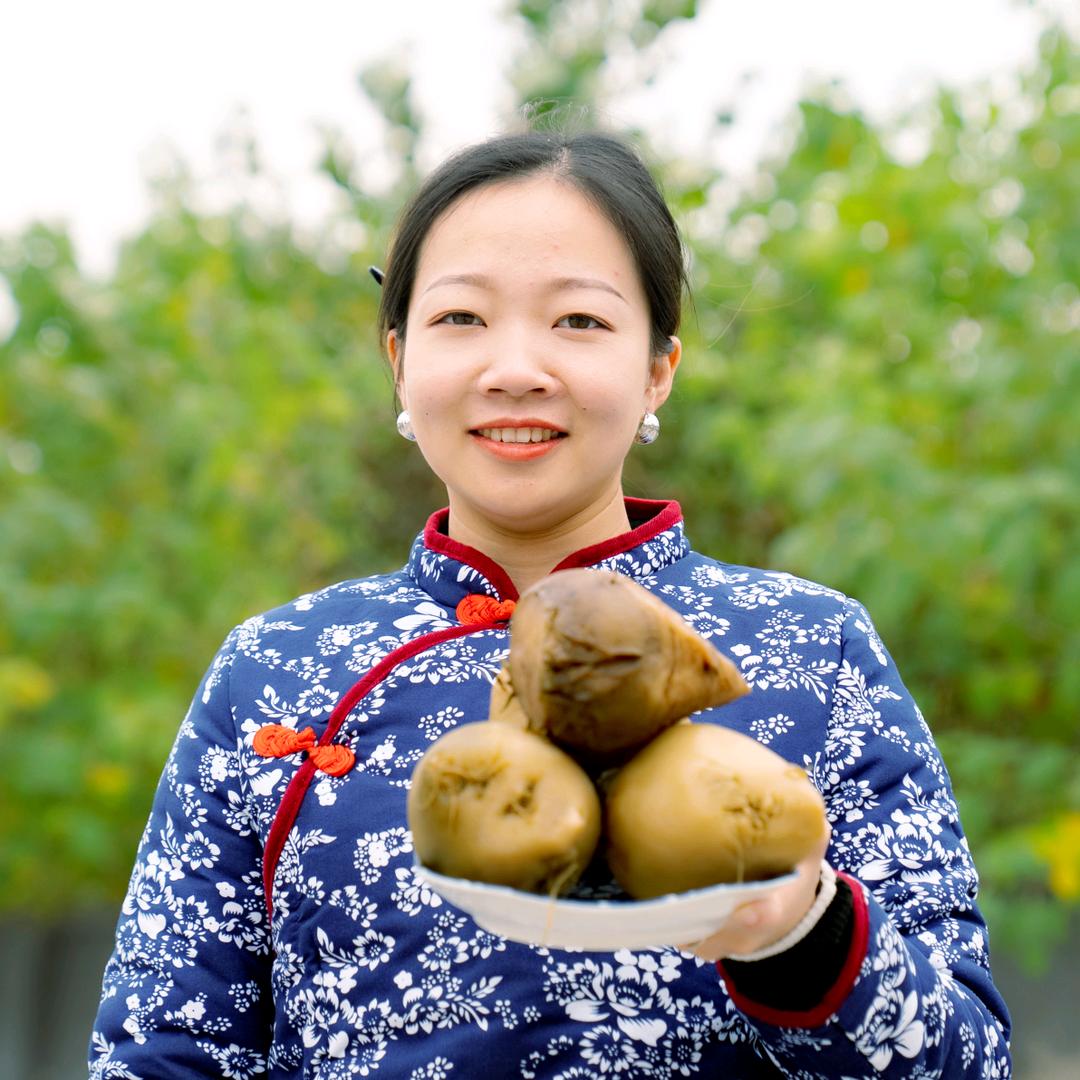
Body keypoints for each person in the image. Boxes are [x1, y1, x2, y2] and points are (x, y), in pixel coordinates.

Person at [90, 129, 1012, 1079]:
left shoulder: (812, 649)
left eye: (578, 321)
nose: (516, 367)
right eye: (462, 319)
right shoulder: (277, 667)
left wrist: (805, 932)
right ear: (399, 360)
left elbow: (967, 1061)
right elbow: (160, 1051)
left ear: (659, 367)